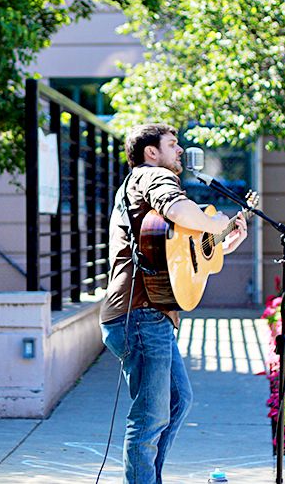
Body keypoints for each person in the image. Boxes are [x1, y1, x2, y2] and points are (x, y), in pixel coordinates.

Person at [101, 123, 248, 484]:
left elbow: (180, 256)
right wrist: (217, 223)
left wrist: (223, 242)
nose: (180, 150)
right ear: (151, 152)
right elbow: (181, 211)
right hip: (140, 314)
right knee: (150, 417)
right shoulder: (153, 176)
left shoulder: (144, 188)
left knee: (177, 402)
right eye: (172, 144)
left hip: (151, 313)